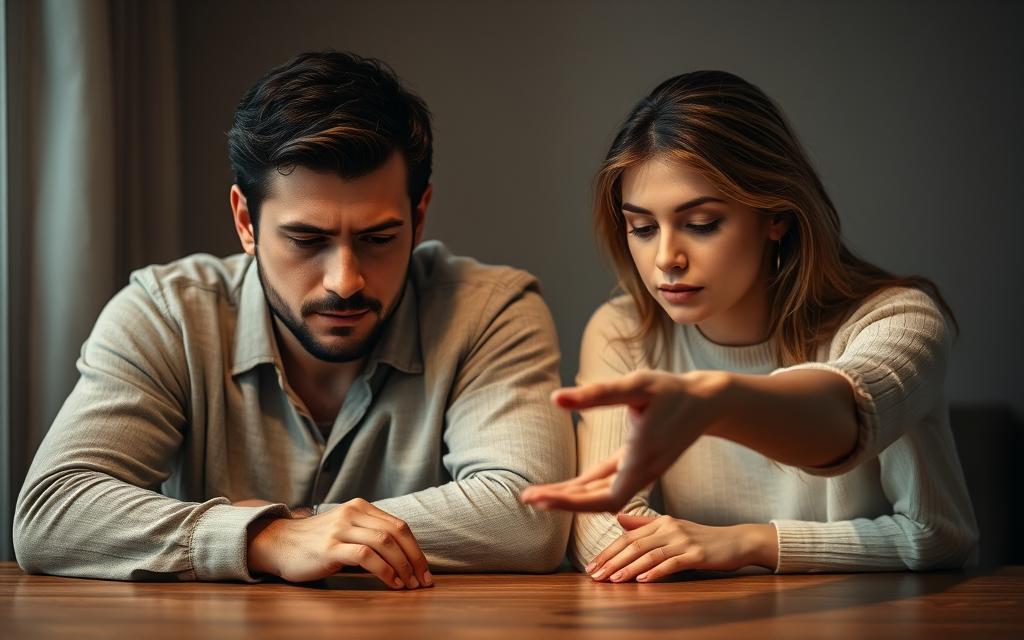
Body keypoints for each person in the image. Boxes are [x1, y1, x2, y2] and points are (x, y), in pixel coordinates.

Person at [14, 51, 574, 588]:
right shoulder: (167, 313)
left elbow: (532, 517)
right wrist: (266, 540)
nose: (345, 280)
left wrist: (303, 525)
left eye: (379, 238)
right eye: (307, 240)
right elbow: (51, 512)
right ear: (245, 221)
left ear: (419, 215)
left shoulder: (491, 310)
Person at [522, 70, 977, 582]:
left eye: (701, 224)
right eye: (643, 228)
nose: (666, 259)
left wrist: (750, 542)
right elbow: (606, 537)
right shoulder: (624, 331)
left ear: (776, 215)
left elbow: (935, 534)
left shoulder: (899, 319)